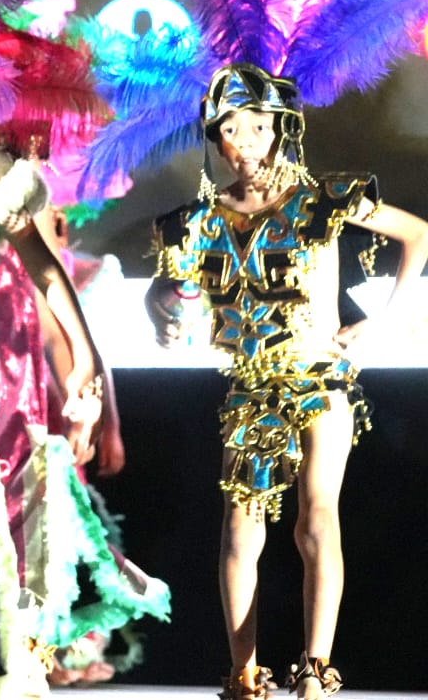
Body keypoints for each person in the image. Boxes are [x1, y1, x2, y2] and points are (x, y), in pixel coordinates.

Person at [146, 64, 426, 700]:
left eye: (256, 127)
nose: (244, 141)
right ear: (216, 139)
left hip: (320, 380)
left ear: (282, 130)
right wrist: (159, 310)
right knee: (239, 532)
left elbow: (418, 233)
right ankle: (244, 674)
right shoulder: (201, 219)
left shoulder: (324, 199)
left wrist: (382, 322)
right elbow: (166, 284)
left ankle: (315, 670)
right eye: (230, 130)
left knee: (315, 518)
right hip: (249, 390)